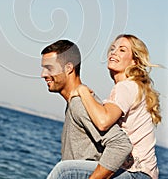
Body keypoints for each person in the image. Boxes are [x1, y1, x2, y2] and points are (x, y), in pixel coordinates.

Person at [70, 34, 162, 179]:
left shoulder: (126, 87)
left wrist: (82, 90)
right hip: (146, 173)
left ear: (135, 61)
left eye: (122, 50)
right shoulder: (134, 87)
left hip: (136, 173)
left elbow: (103, 122)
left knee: (66, 171)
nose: (114, 52)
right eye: (113, 48)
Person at [41, 39, 133, 179]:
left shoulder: (80, 104)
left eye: (49, 68)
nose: (43, 74)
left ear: (68, 68)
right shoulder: (74, 103)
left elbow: (121, 145)